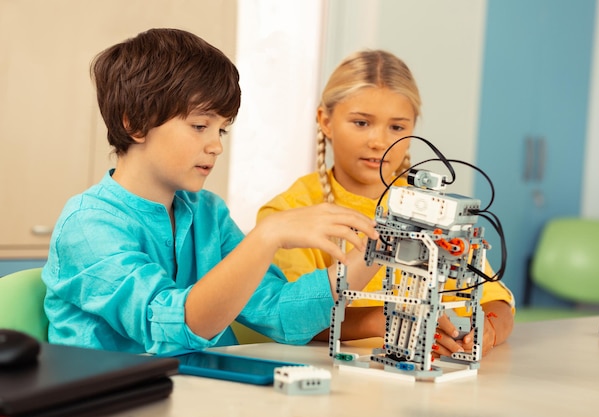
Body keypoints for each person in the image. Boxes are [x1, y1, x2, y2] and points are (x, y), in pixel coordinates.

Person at [41, 28, 381, 355]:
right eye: (200, 126)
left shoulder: (208, 214)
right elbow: (173, 328)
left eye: (222, 130)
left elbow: (282, 315)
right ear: (135, 123)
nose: (216, 146)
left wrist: (375, 250)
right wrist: (267, 237)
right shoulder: (88, 226)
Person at [257, 49, 515, 357]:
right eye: (362, 123)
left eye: (397, 127)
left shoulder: (438, 212)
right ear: (325, 120)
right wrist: (381, 319)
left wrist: (486, 329)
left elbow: (496, 301)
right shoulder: (290, 214)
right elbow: (289, 316)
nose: (379, 141)